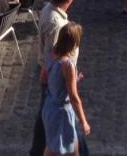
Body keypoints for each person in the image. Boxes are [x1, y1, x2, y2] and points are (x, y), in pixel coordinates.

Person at [31, 0, 88, 156]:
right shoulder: (58, 26)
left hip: (53, 88)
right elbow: (72, 95)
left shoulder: (47, 10)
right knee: (72, 137)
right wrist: (67, 77)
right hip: (59, 94)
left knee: (46, 127)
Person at [41, 22, 90, 155]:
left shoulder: (53, 54)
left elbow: (44, 78)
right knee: (56, 149)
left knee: (57, 146)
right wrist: (84, 121)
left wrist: (69, 81)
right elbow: (74, 97)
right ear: (74, 43)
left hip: (49, 108)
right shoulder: (68, 65)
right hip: (61, 113)